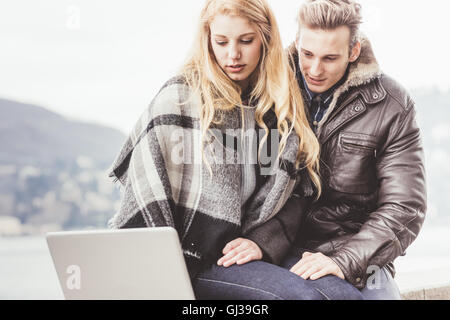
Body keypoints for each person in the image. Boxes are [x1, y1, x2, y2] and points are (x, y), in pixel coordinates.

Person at [107, 0, 364, 300]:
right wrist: (164, 279)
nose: (233, 54)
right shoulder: (178, 100)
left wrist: (261, 242)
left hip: (242, 255)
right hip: (190, 260)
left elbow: (296, 195)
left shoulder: (276, 105)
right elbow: (146, 199)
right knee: (301, 298)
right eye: (221, 41)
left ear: (266, 40)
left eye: (246, 41)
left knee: (344, 296)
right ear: (207, 41)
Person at [250, 0, 427, 300]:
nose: (315, 69)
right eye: (307, 54)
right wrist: (264, 241)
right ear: (297, 42)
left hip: (356, 252)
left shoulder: (392, 105)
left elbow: (405, 207)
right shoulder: (269, 87)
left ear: (354, 51)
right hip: (277, 244)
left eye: (330, 58)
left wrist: (343, 261)